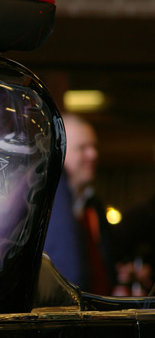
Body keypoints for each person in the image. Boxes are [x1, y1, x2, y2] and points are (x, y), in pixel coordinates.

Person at [44, 113, 115, 295]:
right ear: (59, 152)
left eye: (94, 146)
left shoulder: (93, 206)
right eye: (82, 148)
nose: (93, 154)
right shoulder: (47, 206)